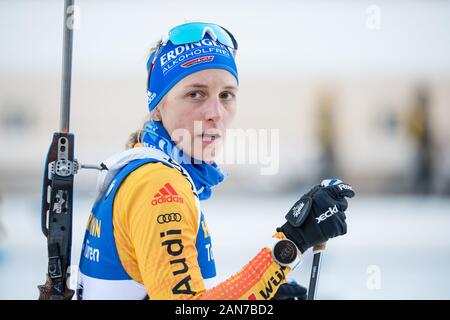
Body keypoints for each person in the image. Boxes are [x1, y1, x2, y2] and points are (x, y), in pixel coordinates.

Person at [77, 22, 355, 300]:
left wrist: (266, 292)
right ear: (158, 105)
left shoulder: (139, 169)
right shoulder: (160, 187)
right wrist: (292, 242)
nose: (215, 113)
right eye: (195, 94)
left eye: (226, 95)